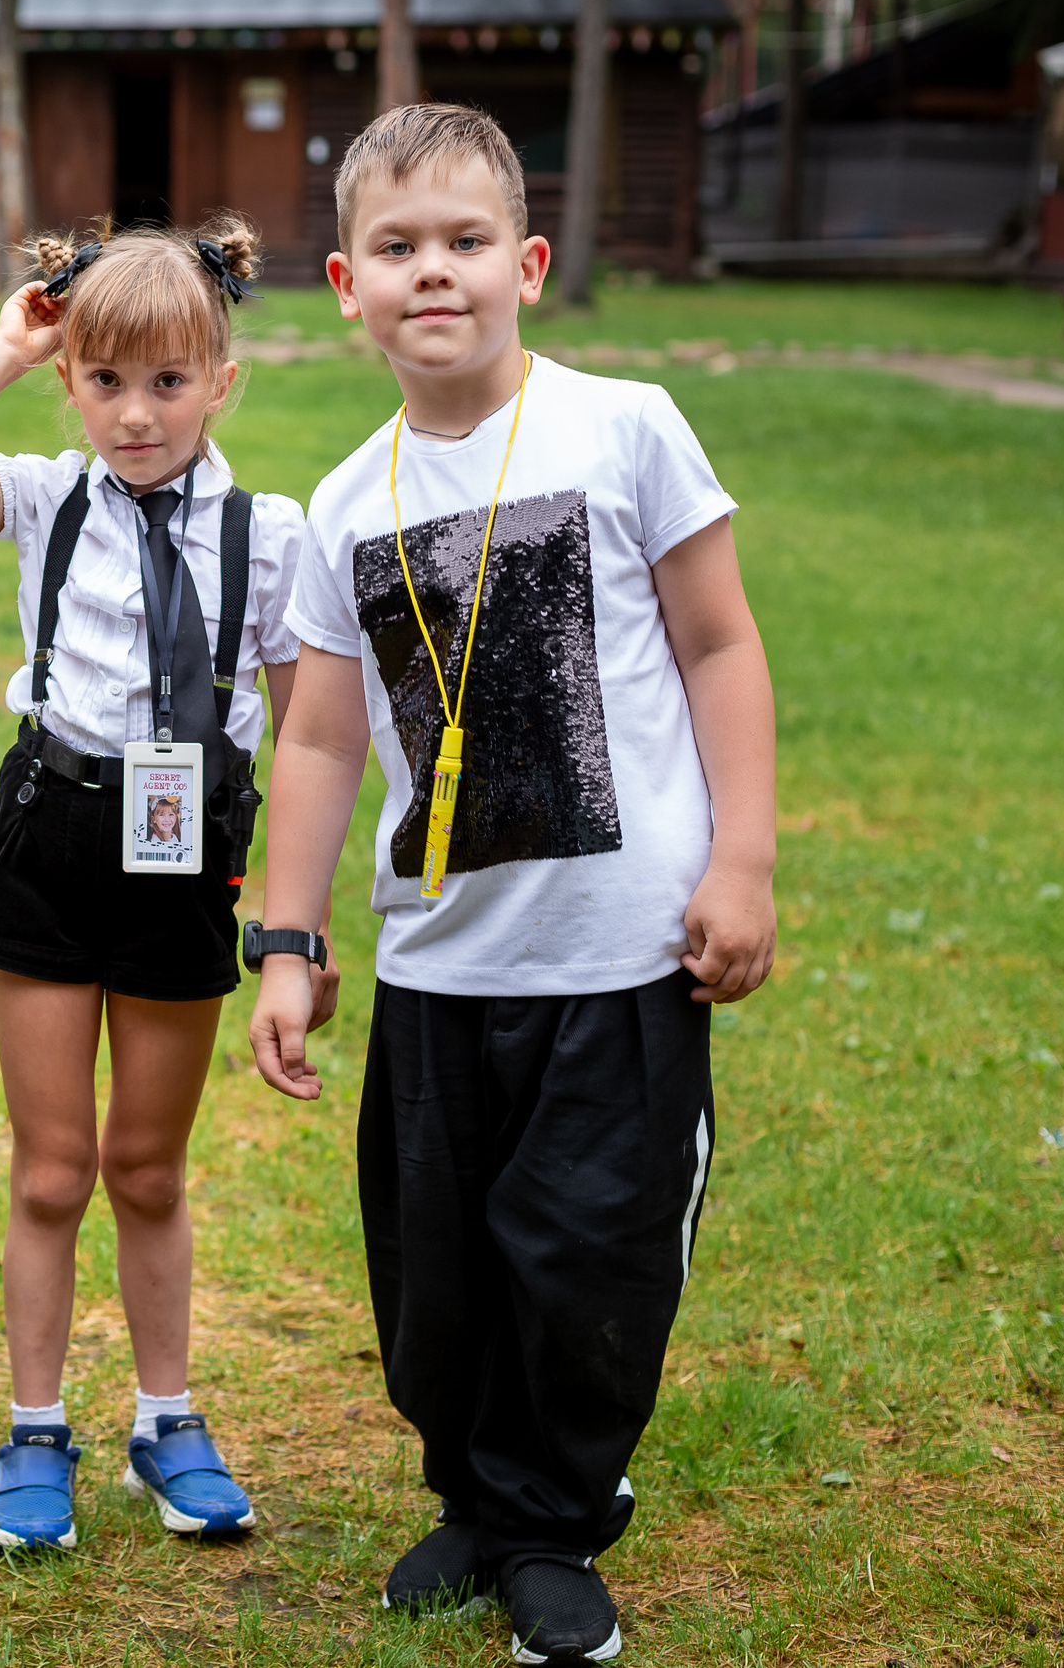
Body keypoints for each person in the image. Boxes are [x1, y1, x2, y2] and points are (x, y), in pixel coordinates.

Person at [245, 104, 778, 1665]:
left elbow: (722, 644)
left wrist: (742, 856)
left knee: (588, 1253)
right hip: (439, 968)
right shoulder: (344, 504)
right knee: (438, 1272)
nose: (435, 273)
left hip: (617, 960)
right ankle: (469, 1497)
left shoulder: (627, 428)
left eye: (466, 243)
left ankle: (552, 1520)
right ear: (346, 284)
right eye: (398, 248)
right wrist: (290, 939)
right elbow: (326, 743)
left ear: (527, 264)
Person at [0, 216, 337, 1552]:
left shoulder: (270, 529)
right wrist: (7, 351)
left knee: (146, 1164)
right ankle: (33, 1428)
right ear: (72, 381)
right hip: (56, 838)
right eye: (106, 381)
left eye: (169, 382)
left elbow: (305, 740)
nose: (136, 414)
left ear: (222, 381)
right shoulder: (39, 494)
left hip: (188, 853)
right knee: (52, 1167)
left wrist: (290, 927)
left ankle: (165, 1415)